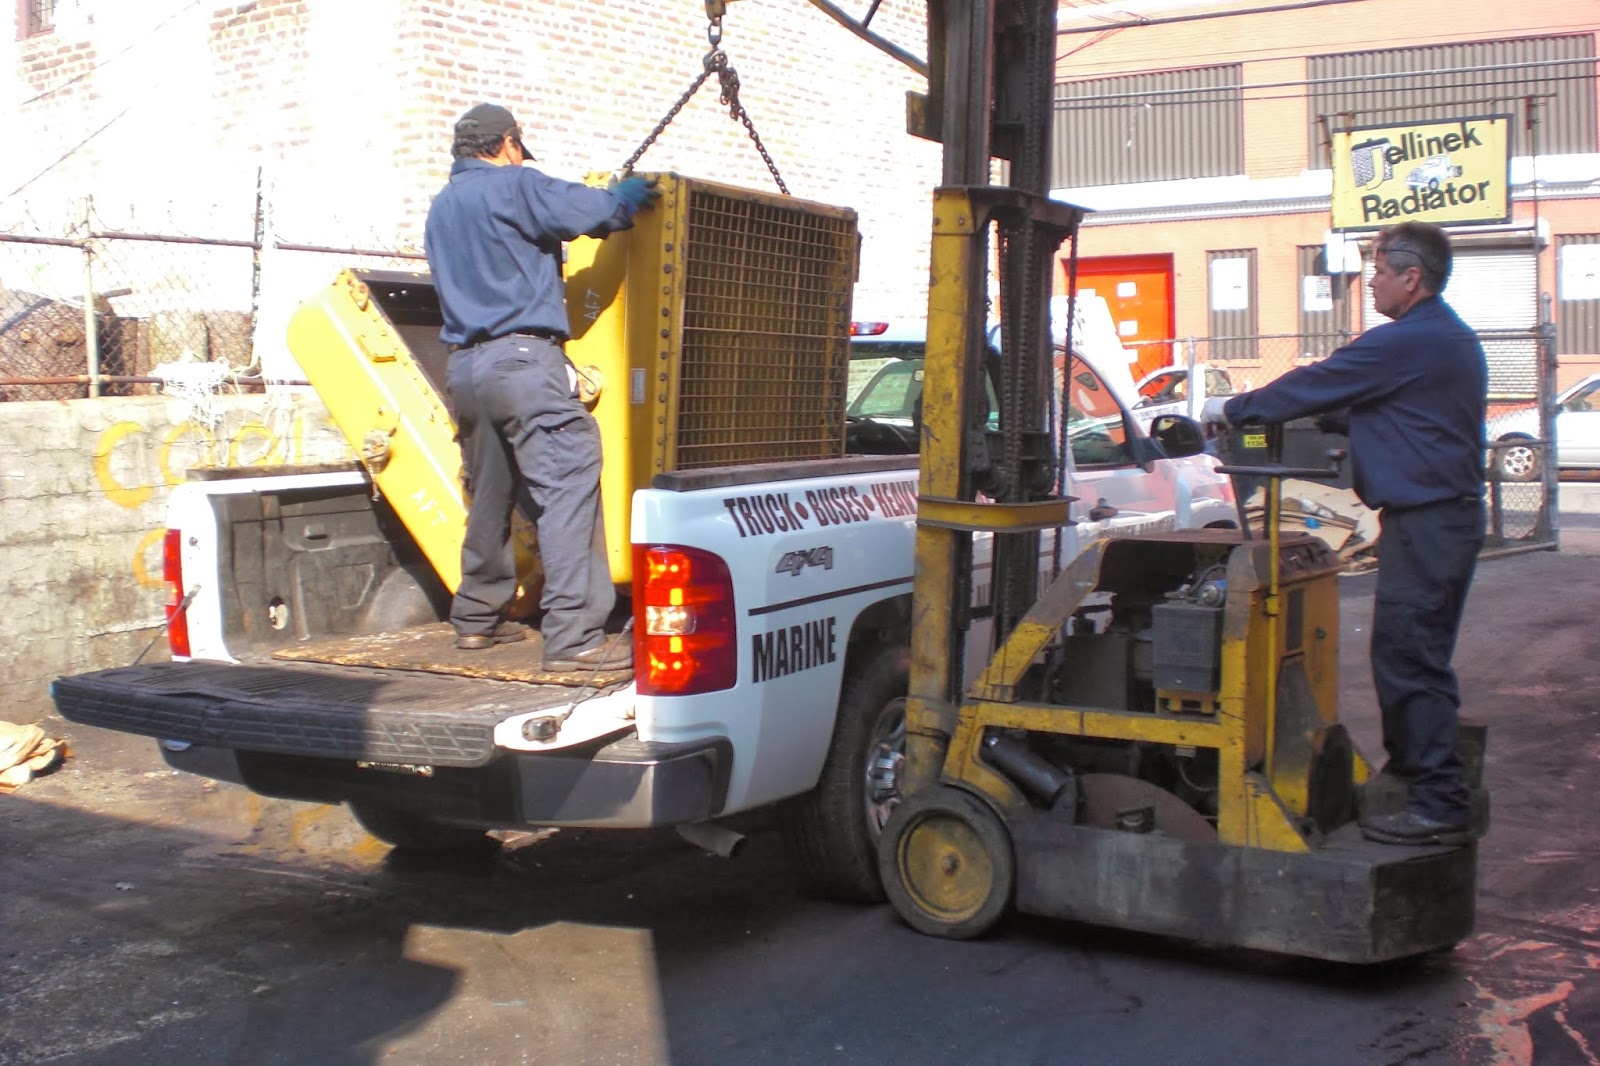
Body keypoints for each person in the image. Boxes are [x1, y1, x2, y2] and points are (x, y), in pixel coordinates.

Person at [1204, 221, 1487, 847]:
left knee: (1411, 656)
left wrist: (1232, 409)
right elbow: (1368, 404)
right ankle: (1415, 774)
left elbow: (1320, 381)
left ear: (1412, 278)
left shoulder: (1408, 341)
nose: (1372, 280)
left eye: (1380, 269)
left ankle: (1439, 801)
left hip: (1431, 523)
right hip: (1438, 520)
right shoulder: (1438, 339)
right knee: (1407, 652)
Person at [424, 102, 659, 668]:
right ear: (508, 142)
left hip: (466, 369)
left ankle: (477, 618)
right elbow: (592, 211)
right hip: (524, 361)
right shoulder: (515, 186)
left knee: (491, 493)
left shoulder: (440, 208)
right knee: (570, 483)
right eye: (517, 148)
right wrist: (621, 199)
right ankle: (575, 638)